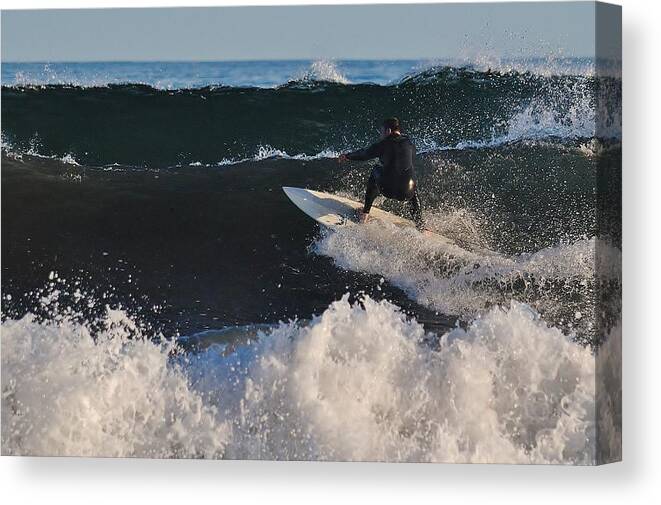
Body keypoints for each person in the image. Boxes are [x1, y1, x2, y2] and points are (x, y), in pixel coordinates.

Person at [338, 117, 423, 229]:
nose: (380, 135)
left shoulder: (383, 144)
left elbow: (364, 154)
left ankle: (365, 214)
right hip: (407, 192)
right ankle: (420, 225)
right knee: (410, 179)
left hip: (387, 189)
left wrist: (347, 156)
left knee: (375, 170)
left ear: (388, 131)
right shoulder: (410, 143)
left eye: (381, 132)